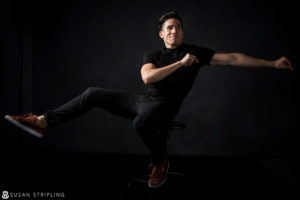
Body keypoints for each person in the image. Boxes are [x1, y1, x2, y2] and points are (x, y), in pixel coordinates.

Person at [5, 11, 294, 189]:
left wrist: (271, 63)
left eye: (178, 27)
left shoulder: (196, 51)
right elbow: (148, 78)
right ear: (161, 33)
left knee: (142, 123)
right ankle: (43, 121)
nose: (174, 31)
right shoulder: (154, 55)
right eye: (169, 28)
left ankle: (160, 161)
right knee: (93, 93)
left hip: (164, 108)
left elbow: (233, 58)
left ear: (183, 31)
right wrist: (181, 64)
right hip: (142, 98)